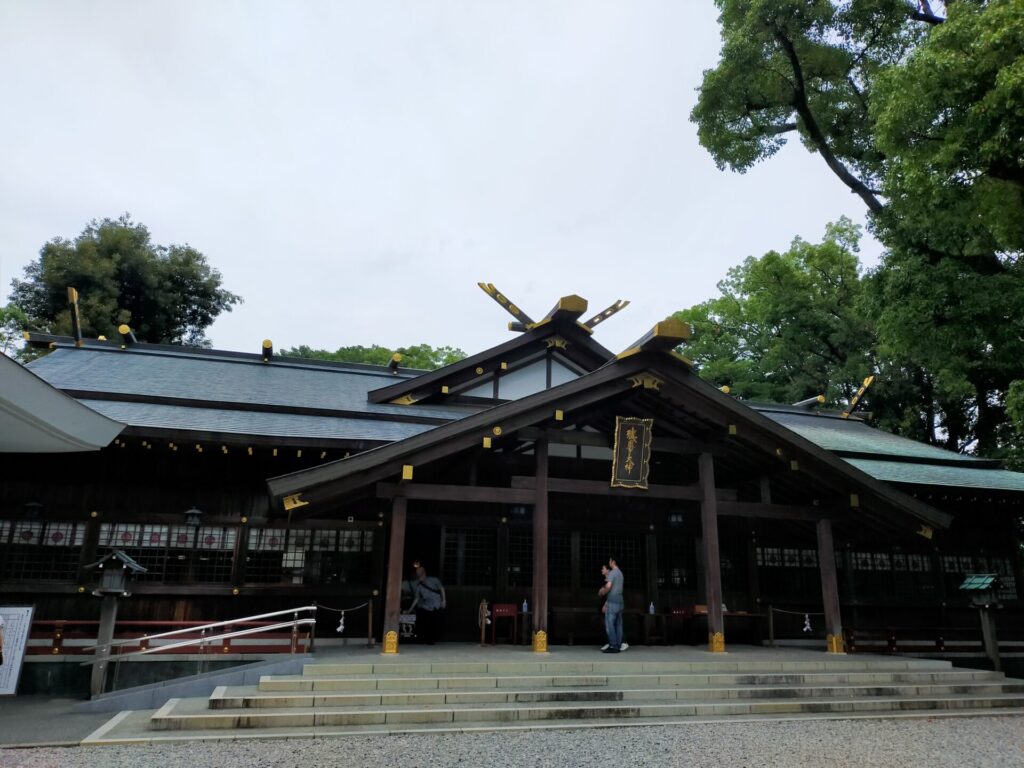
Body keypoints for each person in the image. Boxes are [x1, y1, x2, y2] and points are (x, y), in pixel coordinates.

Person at [408, 565, 446, 644]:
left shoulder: (433, 580)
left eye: (419, 571)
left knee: (435, 623)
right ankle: (425, 639)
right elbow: (417, 598)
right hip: (426, 606)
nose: (418, 573)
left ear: (424, 572)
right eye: (417, 572)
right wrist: (410, 609)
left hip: (437, 604)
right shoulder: (419, 586)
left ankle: (434, 638)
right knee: (426, 621)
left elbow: (441, 588)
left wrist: (444, 600)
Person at [598, 556, 627, 653]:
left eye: (610, 561)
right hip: (620, 602)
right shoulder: (620, 573)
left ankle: (613, 645)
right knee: (618, 624)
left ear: (613, 562)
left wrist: (603, 592)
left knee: (610, 624)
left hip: (612, 602)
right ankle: (618, 645)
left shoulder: (613, 572)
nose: (609, 562)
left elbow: (609, 586)